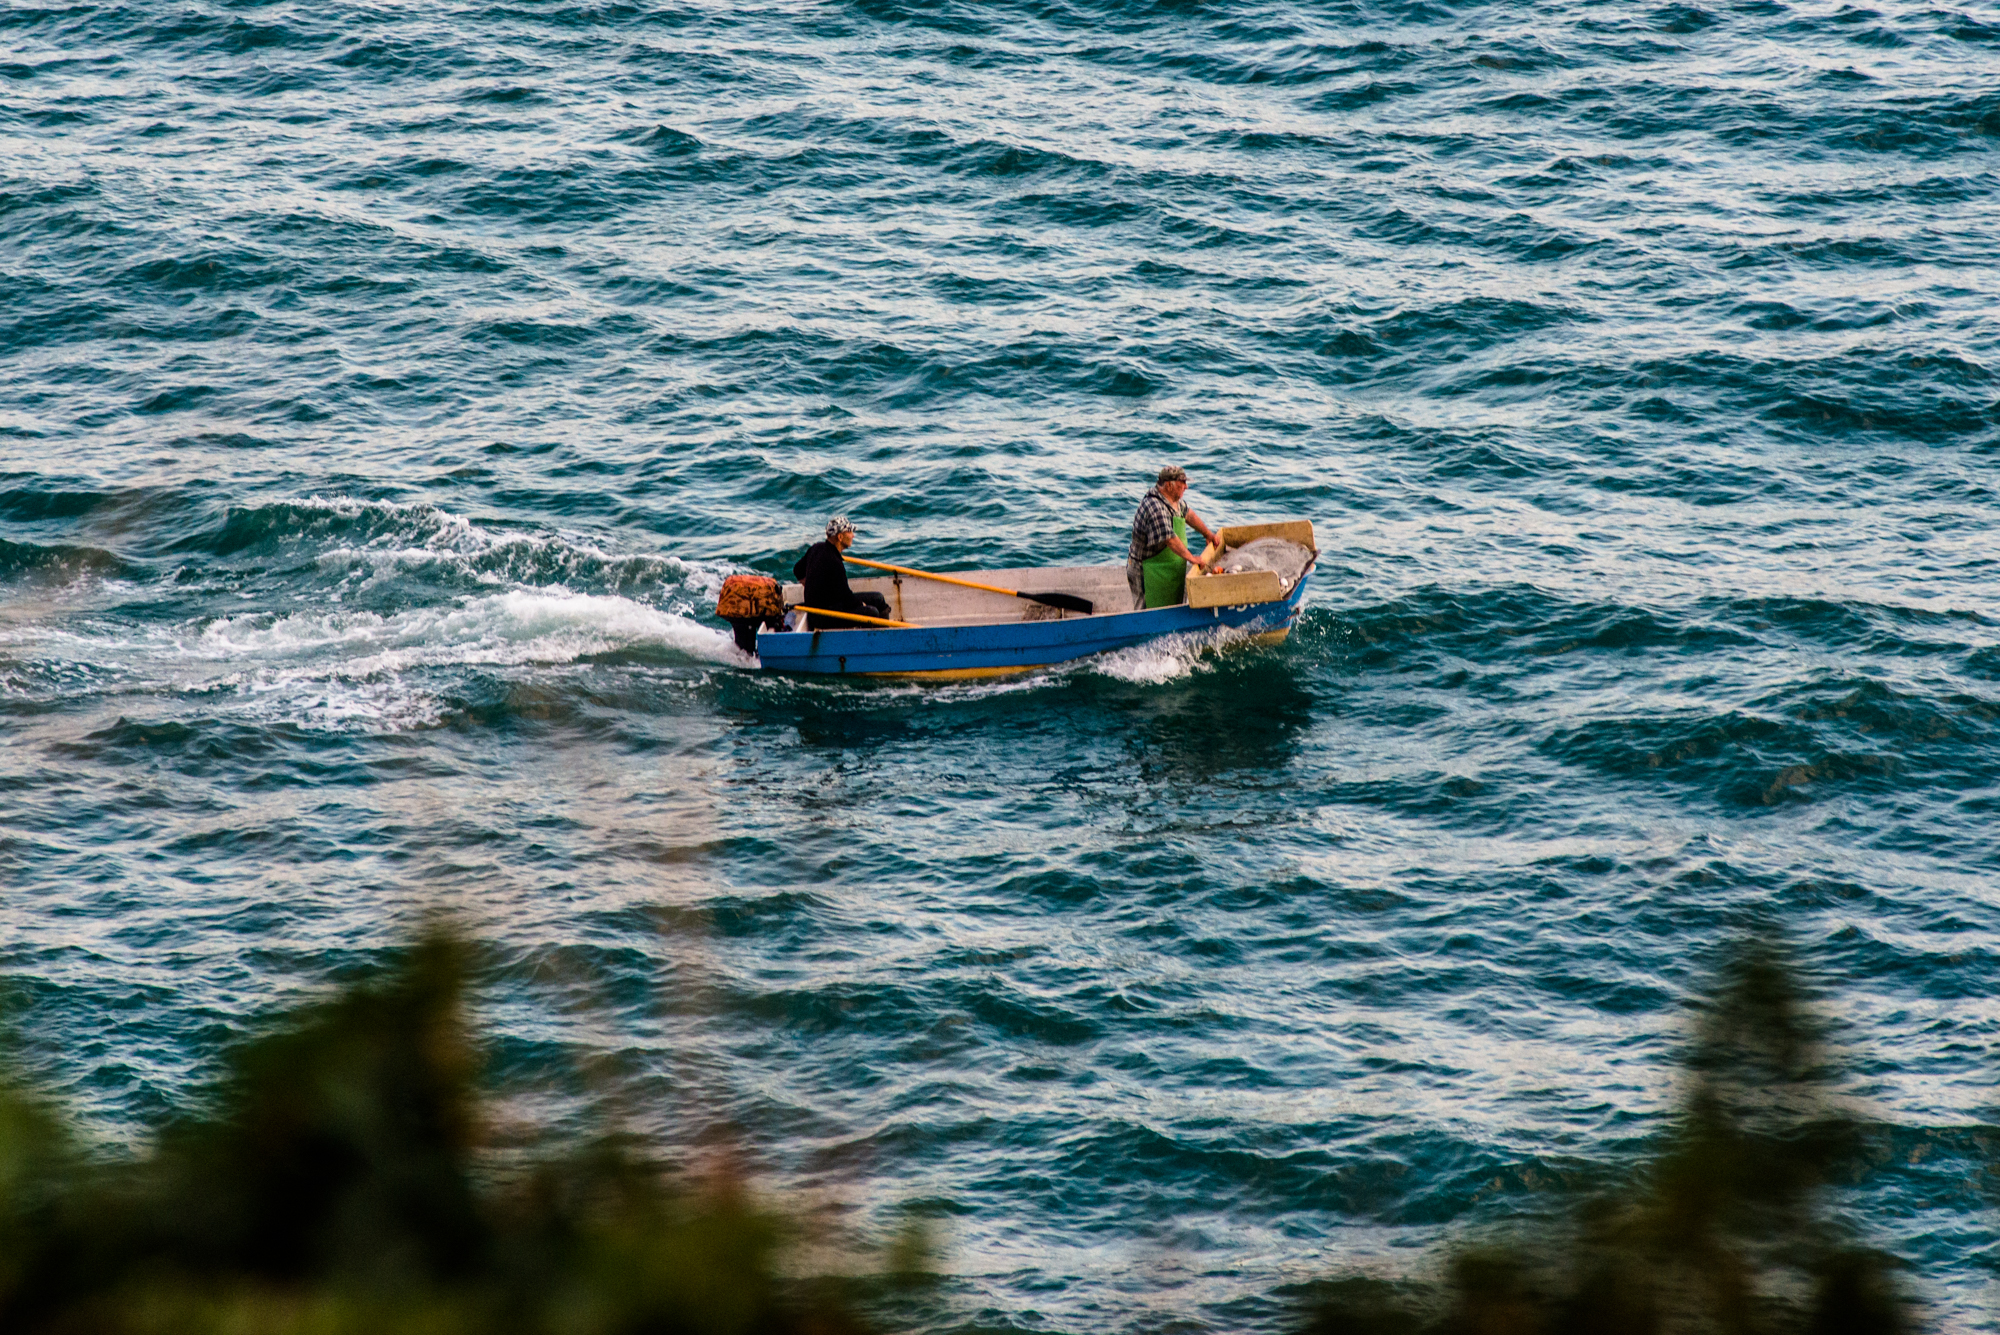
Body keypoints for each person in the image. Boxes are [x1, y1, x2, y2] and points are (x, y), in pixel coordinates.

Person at [1127, 465, 1219, 609]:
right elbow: (1170, 539)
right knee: (1144, 609)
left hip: (1164, 567)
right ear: (1170, 485)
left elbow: (1189, 514)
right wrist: (1192, 558)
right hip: (1145, 568)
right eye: (1182, 483)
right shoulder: (1155, 506)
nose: (1186, 487)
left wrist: (1208, 534)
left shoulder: (1173, 500)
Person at [793, 517, 894, 630]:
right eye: (850, 532)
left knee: (878, 599)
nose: (853, 536)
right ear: (840, 537)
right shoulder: (834, 562)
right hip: (823, 617)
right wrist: (862, 605)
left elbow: (797, 570)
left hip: (828, 606)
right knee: (872, 612)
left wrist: (812, 586)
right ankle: (876, 641)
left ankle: (884, 634)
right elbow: (847, 598)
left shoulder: (817, 548)